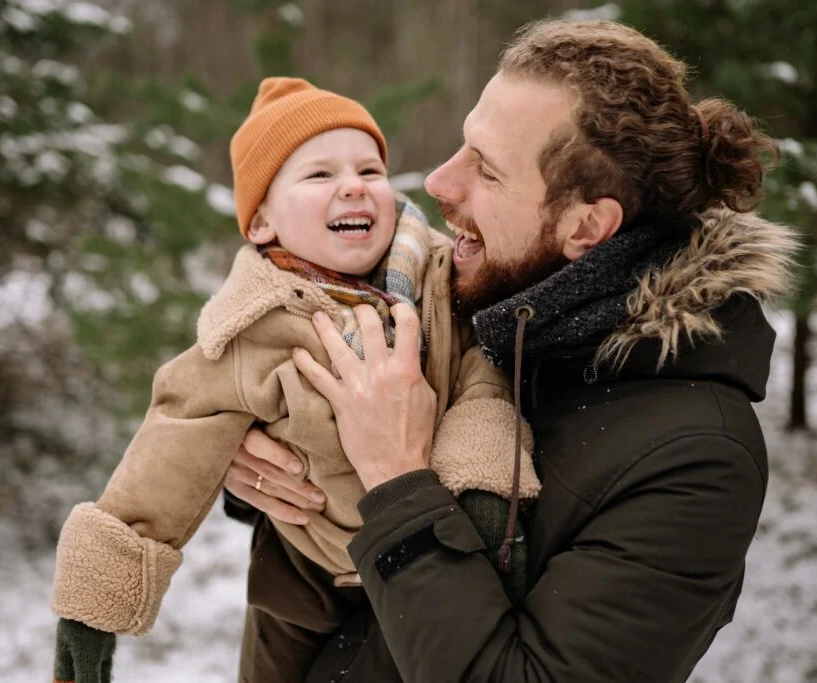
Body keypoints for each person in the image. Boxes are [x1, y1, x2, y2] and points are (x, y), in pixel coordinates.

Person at [226, 19, 800, 682]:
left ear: (587, 224)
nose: (439, 182)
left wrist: (395, 481)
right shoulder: (472, 306)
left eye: (488, 171)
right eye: (464, 146)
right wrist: (274, 461)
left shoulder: (697, 459)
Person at [48, 77, 540, 683]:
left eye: (370, 169)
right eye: (319, 176)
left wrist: (489, 498)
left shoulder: (441, 284)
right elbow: (168, 448)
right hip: (305, 576)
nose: (355, 186)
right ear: (261, 224)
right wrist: (92, 607)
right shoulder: (252, 328)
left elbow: (482, 384)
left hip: (433, 551)